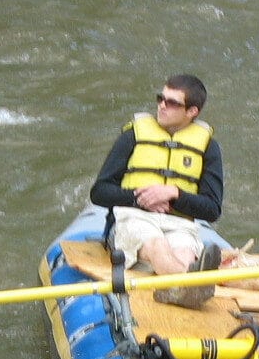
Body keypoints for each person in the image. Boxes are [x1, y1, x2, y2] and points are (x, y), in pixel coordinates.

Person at [89, 74, 225, 308]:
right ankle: (191, 288)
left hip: (178, 224)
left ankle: (181, 288)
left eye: (172, 103)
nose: (162, 105)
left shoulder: (208, 148)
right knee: (157, 245)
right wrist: (140, 198)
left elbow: (212, 209)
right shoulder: (133, 136)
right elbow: (99, 192)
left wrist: (174, 194)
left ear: (192, 111)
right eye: (161, 98)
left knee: (184, 252)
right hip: (132, 219)